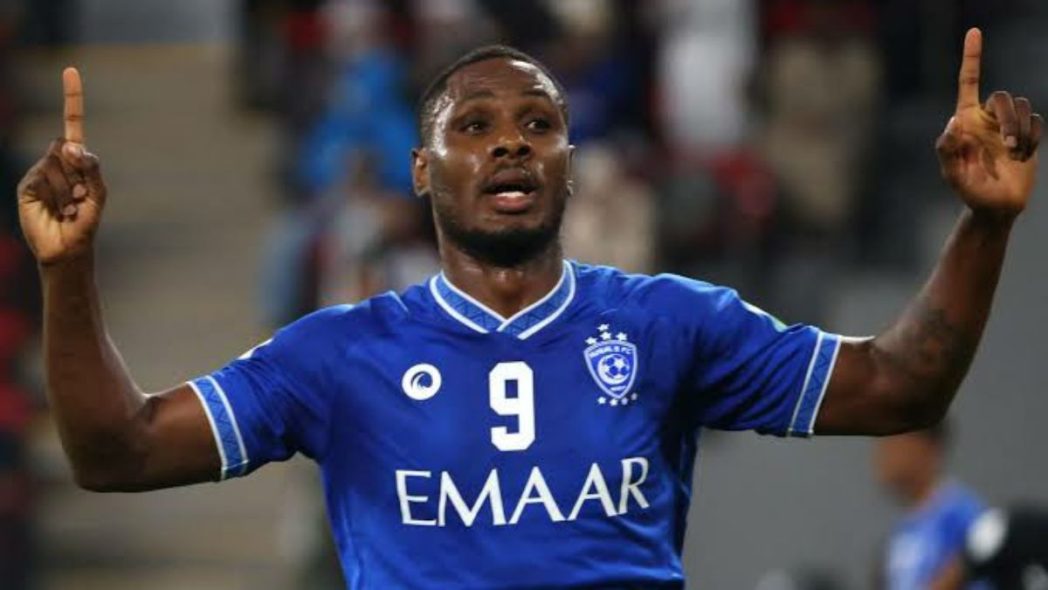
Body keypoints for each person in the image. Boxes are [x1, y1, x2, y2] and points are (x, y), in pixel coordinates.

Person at [14, 29, 1042, 588]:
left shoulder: (671, 323)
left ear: (568, 162)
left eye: (539, 123)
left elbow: (897, 386)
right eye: (474, 124)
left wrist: (984, 227)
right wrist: (69, 270)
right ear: (422, 169)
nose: (511, 140)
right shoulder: (338, 355)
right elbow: (117, 451)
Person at [874, 423, 987, 589]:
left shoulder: (964, 518)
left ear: (927, 446)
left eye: (893, 442)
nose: (883, 453)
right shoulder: (901, 532)